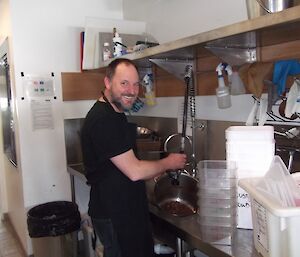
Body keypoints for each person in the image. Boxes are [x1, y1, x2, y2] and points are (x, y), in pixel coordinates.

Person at [81, 58, 187, 257]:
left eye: (136, 84)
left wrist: (155, 170)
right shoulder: (103, 120)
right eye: (124, 83)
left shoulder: (115, 112)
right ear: (107, 82)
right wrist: (168, 162)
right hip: (115, 214)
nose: (131, 90)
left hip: (121, 207)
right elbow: (134, 171)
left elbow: (121, 163)